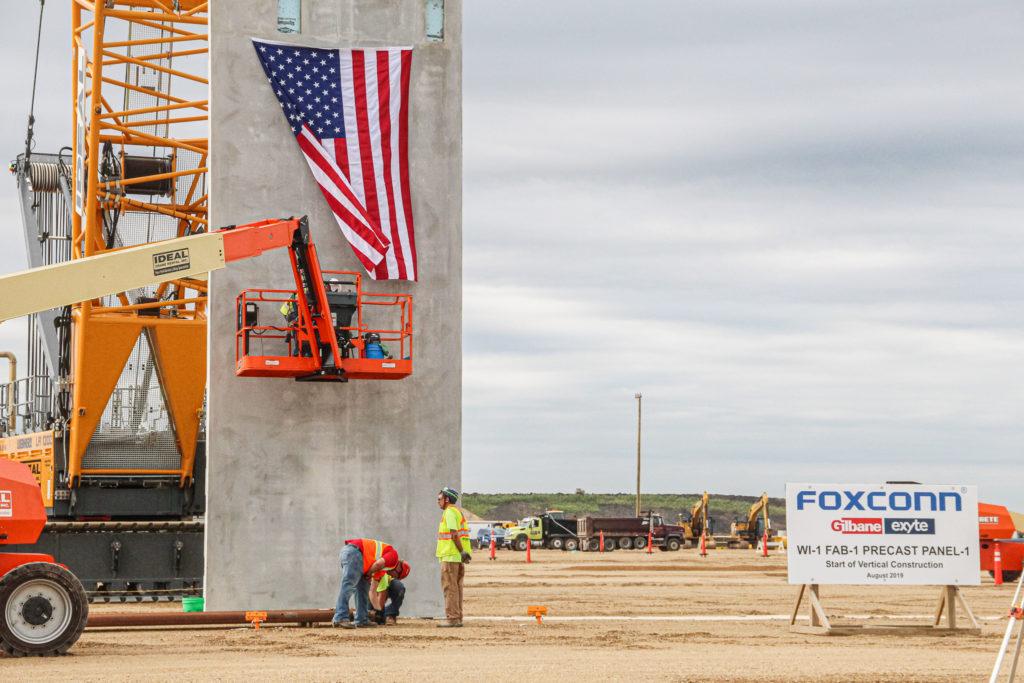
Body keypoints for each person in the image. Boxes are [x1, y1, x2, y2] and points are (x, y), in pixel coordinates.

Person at [332, 538, 402, 628]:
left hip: (359, 557)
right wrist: (369, 574)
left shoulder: (383, 570)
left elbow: (372, 591)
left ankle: (362, 619)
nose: (393, 577)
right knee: (349, 585)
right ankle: (340, 617)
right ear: (399, 569)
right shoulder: (394, 557)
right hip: (355, 552)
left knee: (363, 589)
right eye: (397, 576)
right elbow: (378, 564)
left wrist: (379, 610)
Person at [436, 486, 471, 627]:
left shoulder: (449, 512)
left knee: (449, 587)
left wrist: (461, 551)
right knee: (457, 588)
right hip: (457, 557)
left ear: (447, 499)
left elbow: (454, 533)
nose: (438, 502)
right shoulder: (457, 512)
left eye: (439, 499)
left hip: (451, 556)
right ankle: (458, 617)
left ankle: (452, 619)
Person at [367, 560, 411, 625]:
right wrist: (377, 612)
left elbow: (382, 594)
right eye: (397, 577)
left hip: (382, 586)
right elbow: (381, 594)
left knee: (399, 587)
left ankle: (390, 615)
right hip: (372, 587)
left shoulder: (384, 574)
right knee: (369, 615)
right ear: (398, 569)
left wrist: (379, 612)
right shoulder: (381, 570)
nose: (395, 578)